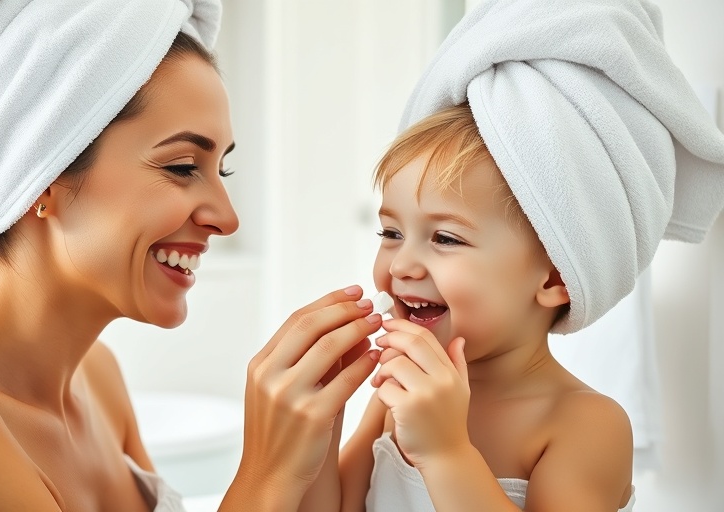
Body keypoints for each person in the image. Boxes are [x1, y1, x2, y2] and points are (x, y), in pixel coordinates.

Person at [0, 1, 384, 510]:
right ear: (41, 178)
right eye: (182, 167)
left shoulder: (97, 379)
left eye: (223, 170)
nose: (227, 216)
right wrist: (267, 473)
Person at [300, 0, 724, 511]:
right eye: (391, 231)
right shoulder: (398, 391)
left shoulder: (584, 423)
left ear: (555, 276)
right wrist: (321, 424)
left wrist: (446, 452)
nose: (401, 265)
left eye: (446, 239)